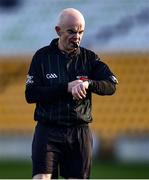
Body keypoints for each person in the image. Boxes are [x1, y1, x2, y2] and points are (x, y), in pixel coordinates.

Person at [25, 8, 118, 179]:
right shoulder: (42, 57)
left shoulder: (89, 59)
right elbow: (31, 94)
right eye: (71, 31)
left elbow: (111, 85)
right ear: (58, 31)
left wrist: (88, 83)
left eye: (81, 32)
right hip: (48, 130)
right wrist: (66, 87)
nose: (77, 36)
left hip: (79, 132)